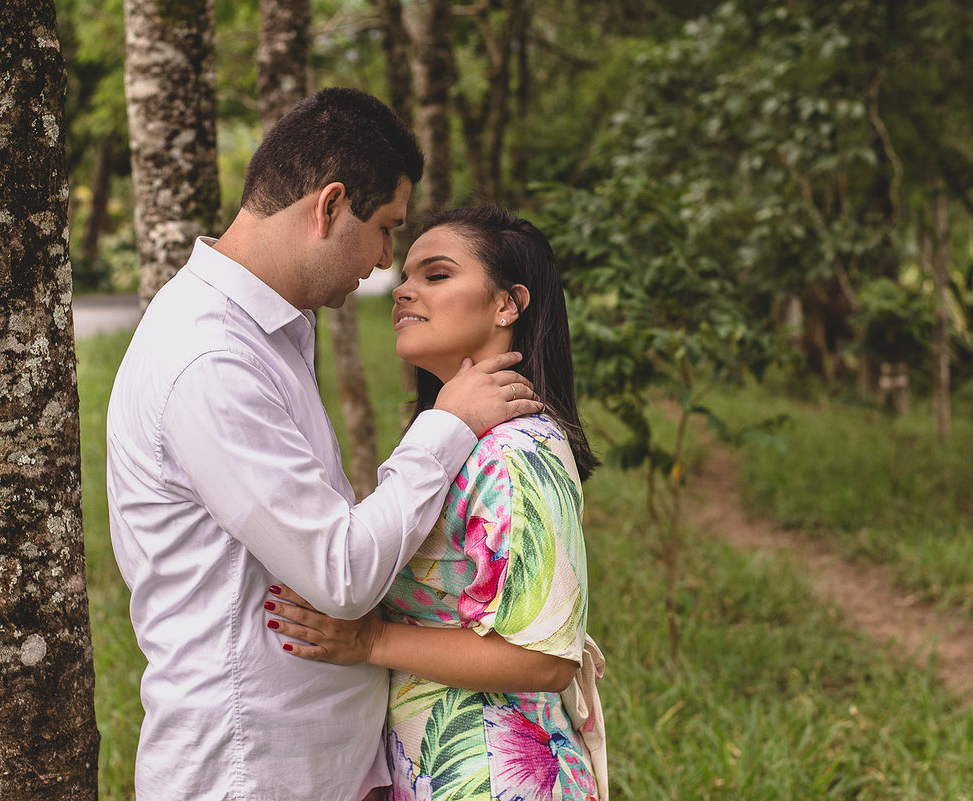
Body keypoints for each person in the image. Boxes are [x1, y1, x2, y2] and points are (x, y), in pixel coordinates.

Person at [106, 90, 542, 801]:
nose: (382, 261)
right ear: (329, 206)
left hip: (315, 767)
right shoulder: (209, 358)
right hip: (251, 773)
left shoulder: (268, 332)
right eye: (383, 229)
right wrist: (448, 423)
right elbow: (338, 573)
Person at [263, 206, 608, 800]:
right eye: (405, 275)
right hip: (443, 767)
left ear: (508, 304)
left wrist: (372, 643)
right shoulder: (458, 440)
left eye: (436, 274)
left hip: (498, 777)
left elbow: (547, 657)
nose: (401, 289)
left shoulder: (518, 448)